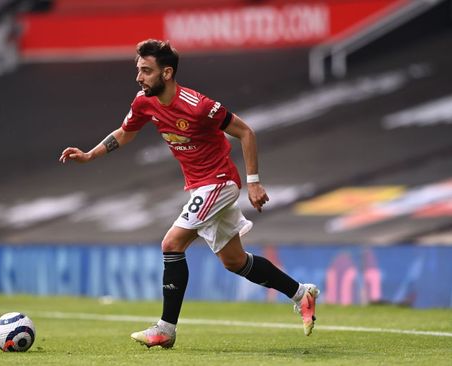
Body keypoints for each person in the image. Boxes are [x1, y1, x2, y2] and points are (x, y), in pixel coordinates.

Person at [59, 39, 320, 349]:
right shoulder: (144, 102)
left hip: (219, 181)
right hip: (201, 185)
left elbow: (245, 132)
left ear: (167, 73)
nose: (139, 78)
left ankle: (165, 329)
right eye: (138, 70)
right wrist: (90, 155)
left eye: (146, 71)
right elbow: (125, 133)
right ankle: (301, 294)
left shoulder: (198, 105)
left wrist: (254, 182)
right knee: (234, 261)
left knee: (171, 243)